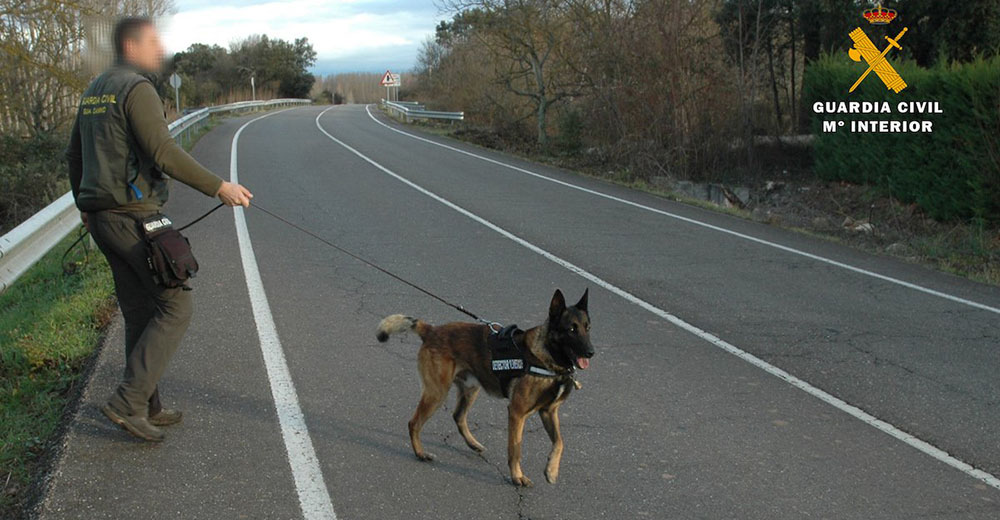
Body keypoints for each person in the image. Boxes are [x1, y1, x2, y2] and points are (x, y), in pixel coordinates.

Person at [66, 16, 253, 442]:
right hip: (132, 213)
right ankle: (127, 403)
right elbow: (164, 152)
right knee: (175, 304)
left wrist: (84, 201)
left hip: (100, 217)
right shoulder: (137, 88)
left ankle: (146, 405)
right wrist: (218, 186)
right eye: (153, 41)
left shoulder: (95, 90)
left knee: (139, 309)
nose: (160, 49)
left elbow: (73, 155)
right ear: (131, 46)